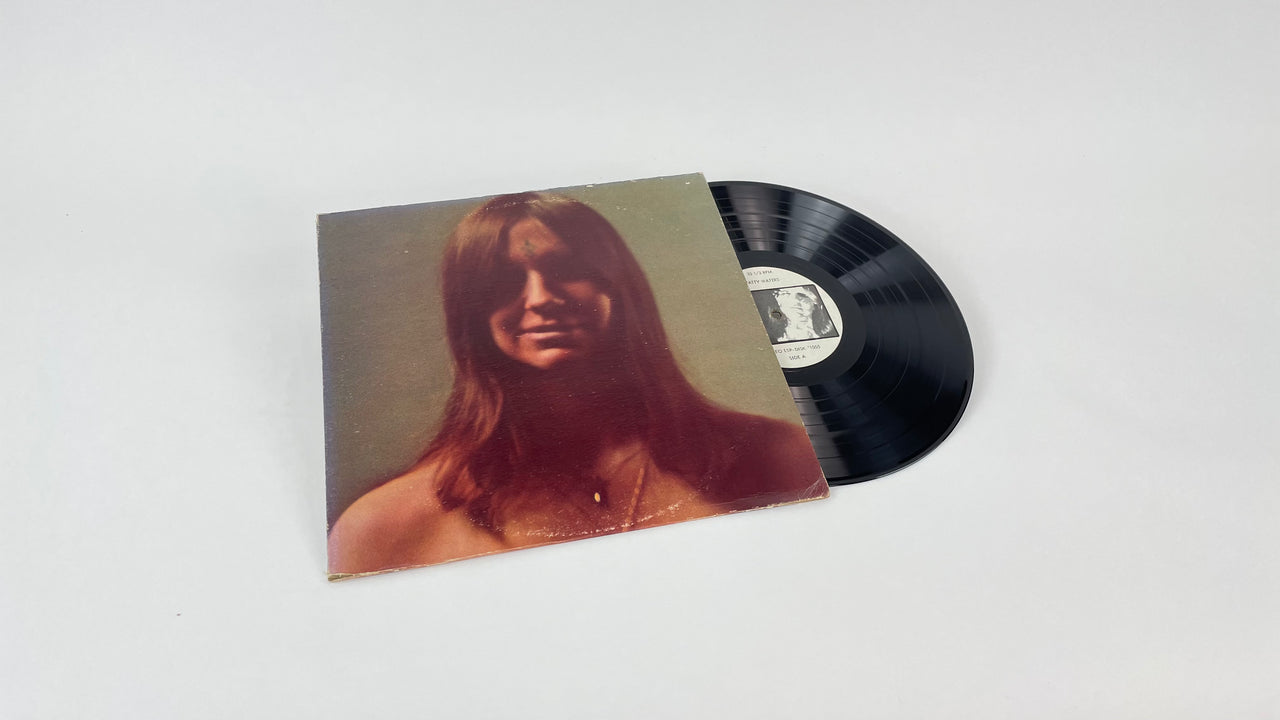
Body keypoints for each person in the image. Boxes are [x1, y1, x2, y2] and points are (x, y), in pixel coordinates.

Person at [328, 192, 826, 575]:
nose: (540, 297)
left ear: (620, 288)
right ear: (469, 314)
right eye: (502, 281)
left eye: (566, 269)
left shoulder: (780, 456)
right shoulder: (382, 526)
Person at [769, 286, 836, 343]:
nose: (795, 299)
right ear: (778, 301)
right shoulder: (773, 338)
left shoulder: (828, 336)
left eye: (802, 294)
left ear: (815, 303)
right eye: (786, 293)